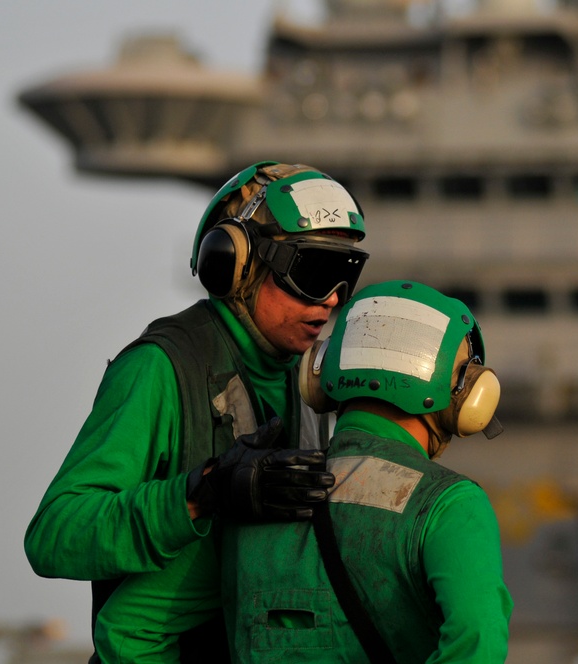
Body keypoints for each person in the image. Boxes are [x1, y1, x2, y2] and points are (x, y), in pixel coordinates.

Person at [24, 161, 369, 662]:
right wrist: (201, 494)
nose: (333, 299)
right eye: (314, 272)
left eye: (345, 275)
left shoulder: (307, 382)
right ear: (237, 263)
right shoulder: (160, 368)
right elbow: (54, 534)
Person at [222, 280, 514, 662]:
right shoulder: (451, 507)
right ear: (463, 395)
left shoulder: (253, 495)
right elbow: (479, 644)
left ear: (322, 371)